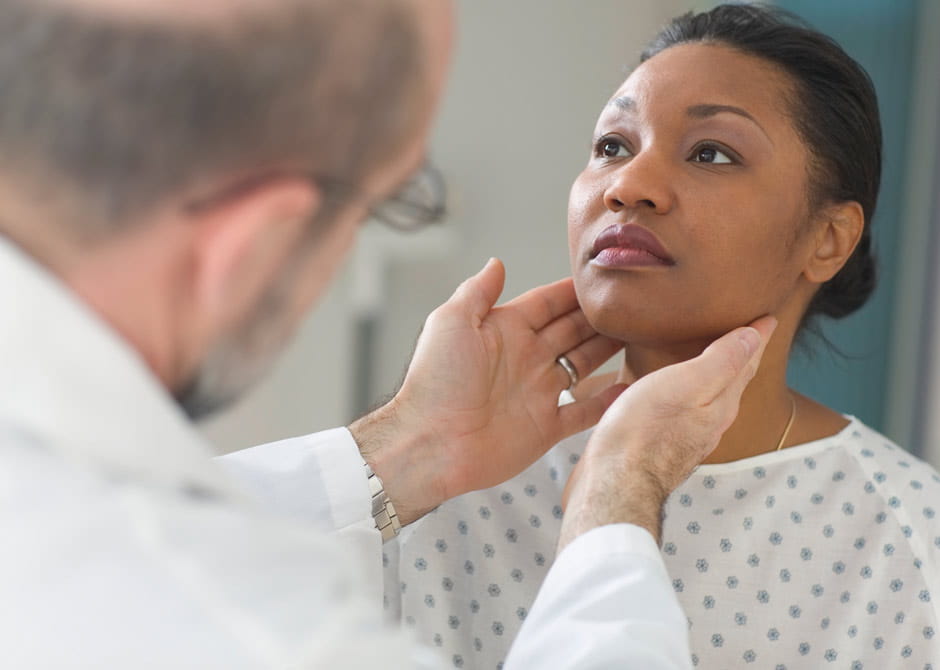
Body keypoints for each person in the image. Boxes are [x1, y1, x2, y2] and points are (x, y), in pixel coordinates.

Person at [0, 0, 776, 667]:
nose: (627, 186)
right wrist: (617, 491)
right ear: (256, 247)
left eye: (711, 152)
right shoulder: (240, 632)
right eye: (378, 203)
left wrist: (411, 444)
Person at [383, 5, 940, 669]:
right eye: (612, 146)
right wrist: (407, 443)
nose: (628, 185)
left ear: (828, 239)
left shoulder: (912, 542)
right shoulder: (440, 488)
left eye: (712, 153)